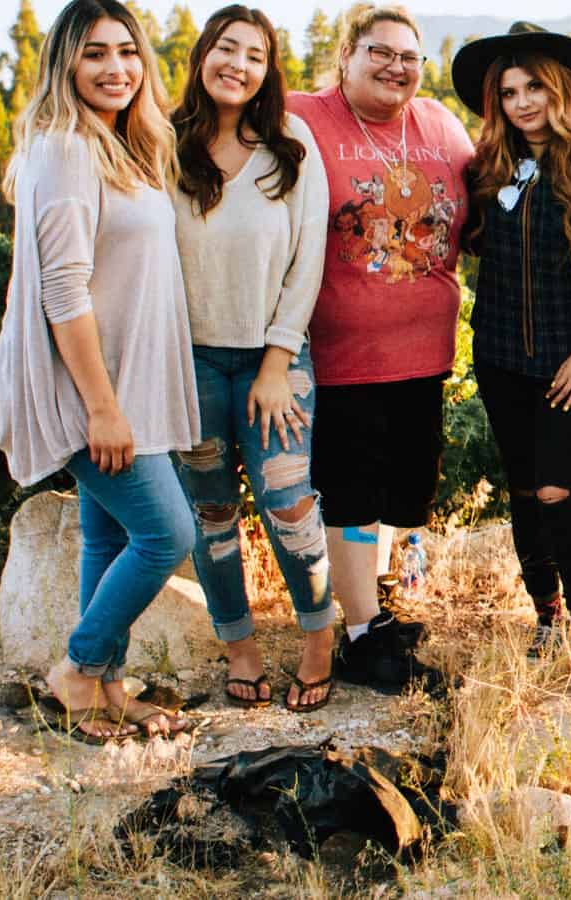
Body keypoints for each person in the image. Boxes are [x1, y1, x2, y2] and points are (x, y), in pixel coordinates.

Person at [0, 0, 198, 742]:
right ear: (65, 65)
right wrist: (103, 408)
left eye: (127, 52)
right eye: (95, 54)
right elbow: (62, 290)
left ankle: (104, 688)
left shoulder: (115, 144)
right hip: (93, 390)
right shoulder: (68, 147)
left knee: (108, 538)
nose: (116, 68)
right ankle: (76, 667)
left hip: (127, 383)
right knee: (169, 533)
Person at [286, 2, 472, 692]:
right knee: (354, 491)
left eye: (409, 57)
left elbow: (479, 209)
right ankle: (363, 635)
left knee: (402, 492)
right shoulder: (303, 114)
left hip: (427, 351)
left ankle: (378, 612)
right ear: (346, 55)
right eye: (380, 51)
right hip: (343, 352)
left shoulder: (442, 127)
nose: (397, 66)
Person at [451, 23, 571, 701]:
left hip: (568, 362)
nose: (523, 101)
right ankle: (545, 615)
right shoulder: (485, 166)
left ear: (560, 90)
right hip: (498, 357)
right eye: (509, 91)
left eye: (534, 87)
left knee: (558, 491)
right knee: (524, 493)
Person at [170, 5, 334, 712]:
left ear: (269, 71)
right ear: (203, 55)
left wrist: (274, 363)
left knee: (289, 505)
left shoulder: (290, 143)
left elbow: (307, 264)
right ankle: (238, 646)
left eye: (255, 55)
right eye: (225, 48)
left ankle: (318, 640)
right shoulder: (163, 145)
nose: (237, 64)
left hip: (276, 357)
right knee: (210, 513)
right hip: (187, 365)